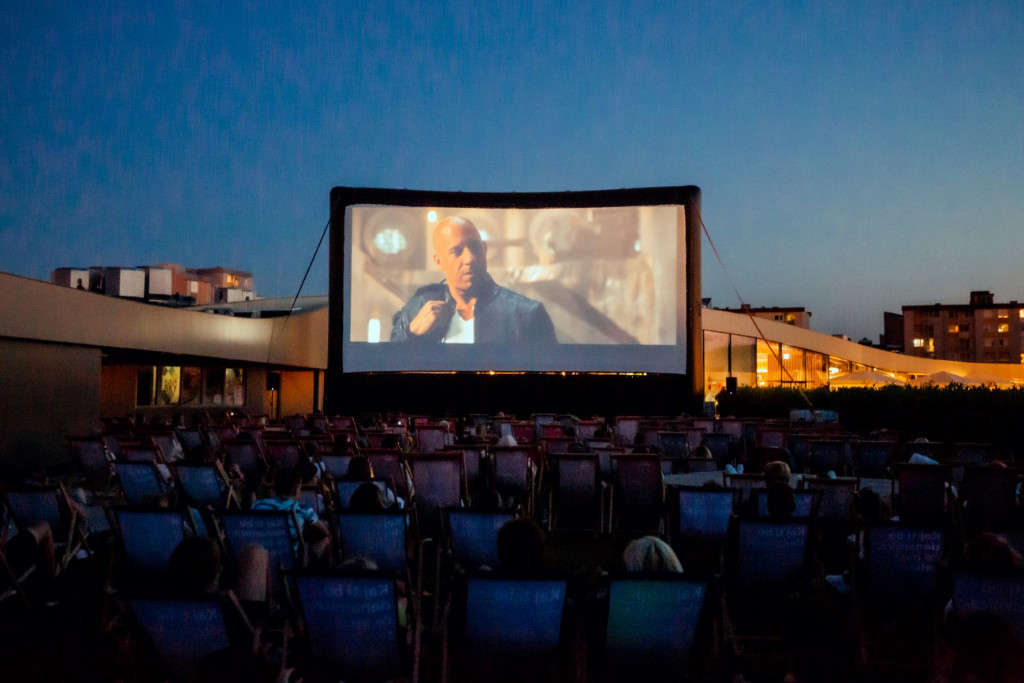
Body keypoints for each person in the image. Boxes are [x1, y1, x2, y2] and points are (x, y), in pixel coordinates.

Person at [390, 216, 557, 344]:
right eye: (457, 251)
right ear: (438, 261)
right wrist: (412, 334)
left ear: (484, 250)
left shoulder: (527, 314)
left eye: (475, 247)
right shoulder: (417, 308)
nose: (470, 258)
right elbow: (388, 366)